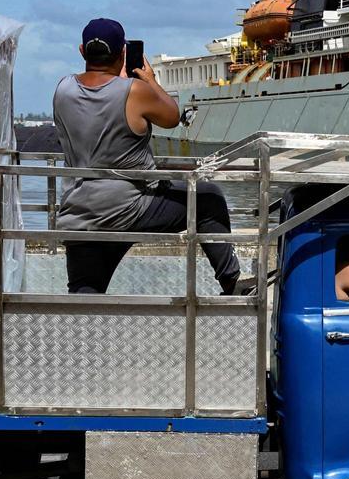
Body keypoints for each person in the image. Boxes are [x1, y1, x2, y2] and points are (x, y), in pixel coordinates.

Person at [52, 18, 243, 294]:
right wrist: (150, 80)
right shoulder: (135, 91)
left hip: (79, 213)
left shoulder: (62, 89)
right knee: (208, 198)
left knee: (85, 292)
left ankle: (84, 332)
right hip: (130, 207)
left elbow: (95, 99)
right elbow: (172, 116)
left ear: (82, 51)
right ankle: (231, 282)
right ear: (123, 54)